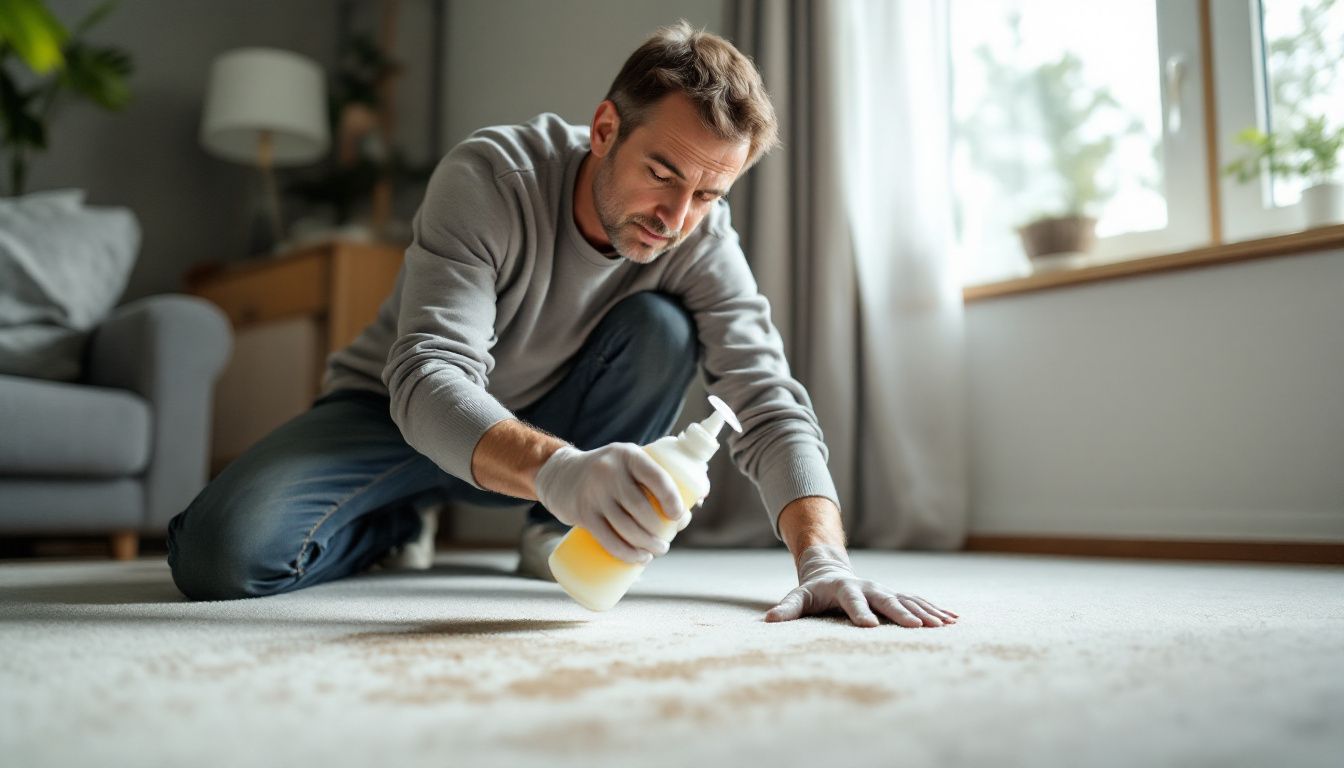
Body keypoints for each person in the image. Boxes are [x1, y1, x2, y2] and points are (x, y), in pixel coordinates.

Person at [166, 20, 957, 629]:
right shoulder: (491, 178)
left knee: (663, 327)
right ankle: (393, 520)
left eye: (710, 194)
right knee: (219, 557)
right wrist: (562, 471)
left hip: (557, 435)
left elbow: (765, 396)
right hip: (394, 416)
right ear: (606, 129)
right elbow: (428, 375)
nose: (676, 218)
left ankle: (551, 534)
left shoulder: (698, 237)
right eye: (662, 174)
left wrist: (821, 557)